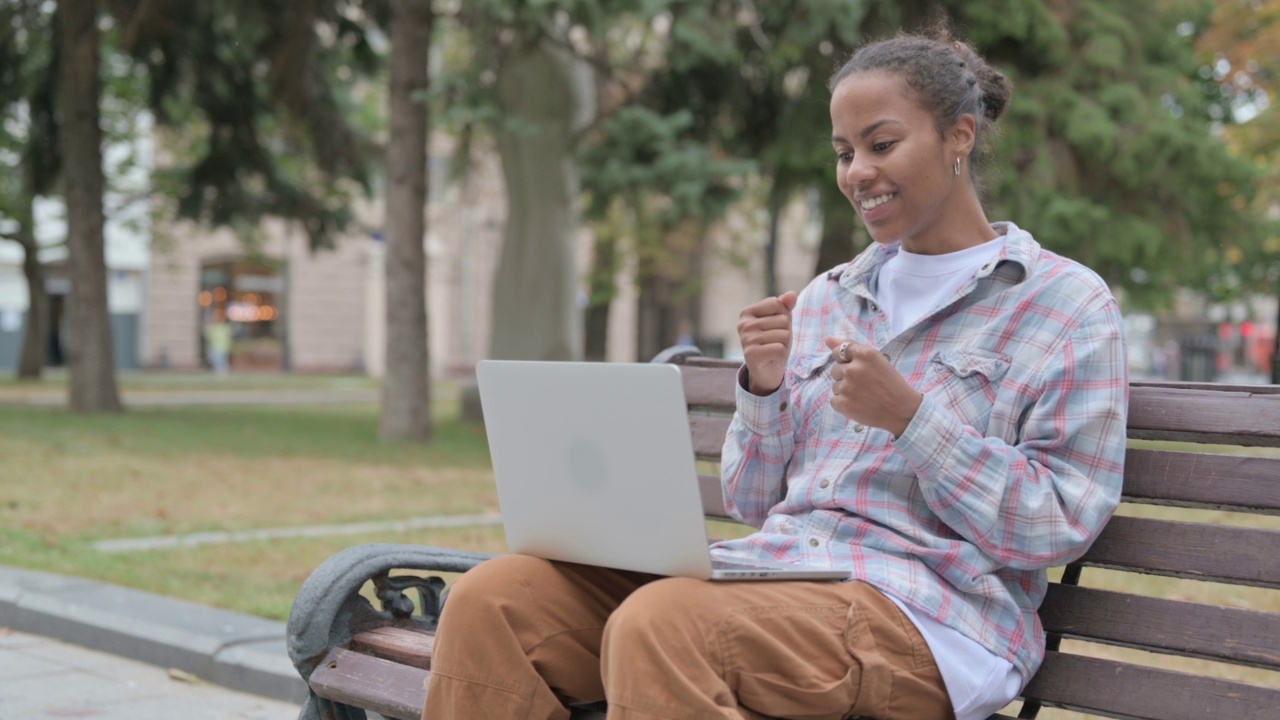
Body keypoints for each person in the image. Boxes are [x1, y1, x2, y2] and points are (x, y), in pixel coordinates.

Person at [423, 28, 1127, 720]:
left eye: (882, 145)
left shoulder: (1064, 305)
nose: (857, 172)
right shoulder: (830, 296)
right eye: (845, 153)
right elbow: (755, 503)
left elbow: (1059, 522)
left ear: (960, 137)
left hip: (933, 620)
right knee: (496, 600)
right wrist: (764, 391)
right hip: (780, 576)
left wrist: (911, 420)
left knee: (665, 623)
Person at [203, 310, 232, 376]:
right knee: (218, 361)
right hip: (217, 347)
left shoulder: (223, 328)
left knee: (220, 362)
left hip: (220, 348)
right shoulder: (219, 327)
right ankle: (221, 374)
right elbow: (207, 334)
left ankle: (222, 374)